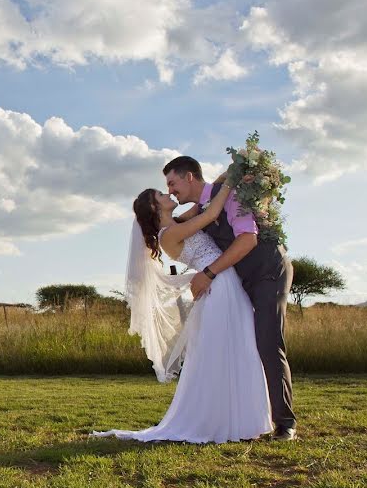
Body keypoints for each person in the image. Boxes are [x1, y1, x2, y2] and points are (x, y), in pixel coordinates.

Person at [91, 172, 274, 444]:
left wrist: (229, 173)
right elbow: (211, 213)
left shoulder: (178, 222)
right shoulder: (170, 235)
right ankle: (223, 421)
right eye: (161, 195)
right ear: (155, 208)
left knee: (240, 346)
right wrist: (232, 183)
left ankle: (244, 420)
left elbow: (204, 203)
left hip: (224, 284)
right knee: (233, 347)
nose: (169, 195)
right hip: (218, 285)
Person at [164, 156, 296, 440]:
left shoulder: (235, 196)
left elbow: (248, 240)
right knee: (244, 345)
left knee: (268, 342)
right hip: (239, 283)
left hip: (267, 273)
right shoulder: (204, 206)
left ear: (189, 177)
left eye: (172, 183)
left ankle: (285, 423)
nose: (171, 190)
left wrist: (208, 273)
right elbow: (178, 223)